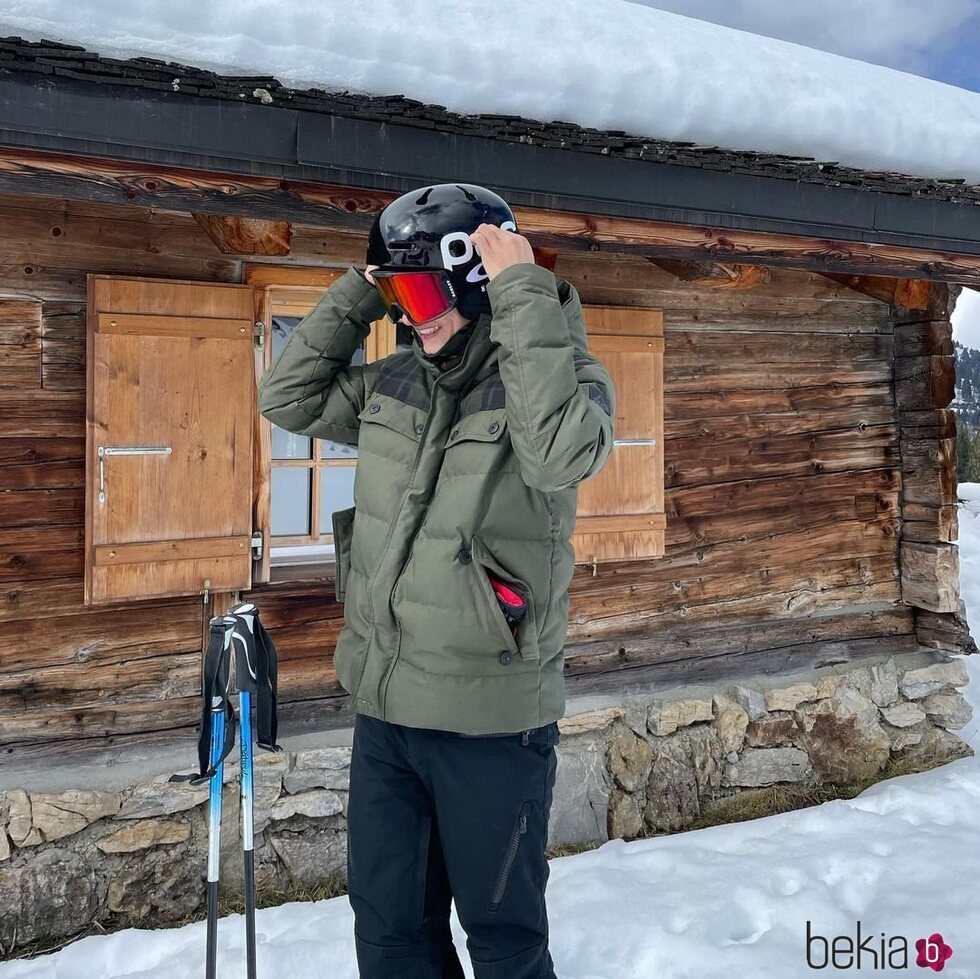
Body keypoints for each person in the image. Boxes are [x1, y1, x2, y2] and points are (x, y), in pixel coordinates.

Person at [258, 183, 616, 979]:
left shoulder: (566, 382)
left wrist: (524, 289)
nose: (410, 314)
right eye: (399, 295)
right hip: (387, 715)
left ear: (479, 285)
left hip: (490, 728)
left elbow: (558, 452)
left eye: (421, 291)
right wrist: (364, 282)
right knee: (389, 937)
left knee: (505, 946)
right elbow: (286, 395)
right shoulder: (398, 382)